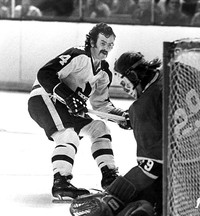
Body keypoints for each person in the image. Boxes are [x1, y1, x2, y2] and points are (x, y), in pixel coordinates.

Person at [71, 50, 200, 215]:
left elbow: (150, 169)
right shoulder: (179, 71)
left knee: (144, 208)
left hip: (179, 178)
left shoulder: (142, 109)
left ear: (134, 75)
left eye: (125, 83)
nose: (126, 89)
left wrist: (114, 193)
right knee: (142, 207)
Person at [27, 23, 131, 200]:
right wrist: (68, 96)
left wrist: (121, 116)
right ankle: (61, 182)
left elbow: (100, 105)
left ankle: (109, 176)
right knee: (68, 135)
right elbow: (45, 74)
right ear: (92, 42)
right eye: (103, 43)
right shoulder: (78, 55)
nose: (106, 49)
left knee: (100, 128)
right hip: (43, 99)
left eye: (110, 45)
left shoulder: (104, 72)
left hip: (68, 109)